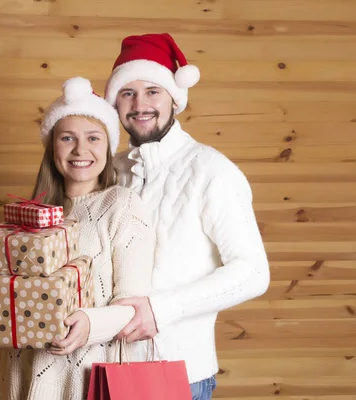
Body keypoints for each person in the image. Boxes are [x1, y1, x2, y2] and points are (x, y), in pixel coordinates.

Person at [102, 33, 271, 399]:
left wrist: (159, 310)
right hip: (104, 368)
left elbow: (254, 273)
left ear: (175, 99)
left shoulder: (211, 170)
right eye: (127, 93)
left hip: (179, 374)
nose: (140, 104)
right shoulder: (111, 171)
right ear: (115, 103)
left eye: (153, 91)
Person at [2, 77, 155, 399]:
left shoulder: (122, 205)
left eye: (93, 138)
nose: (80, 150)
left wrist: (89, 322)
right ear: (52, 147)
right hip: (27, 370)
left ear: (109, 147)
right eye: (67, 138)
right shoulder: (34, 215)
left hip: (87, 377)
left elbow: (134, 306)